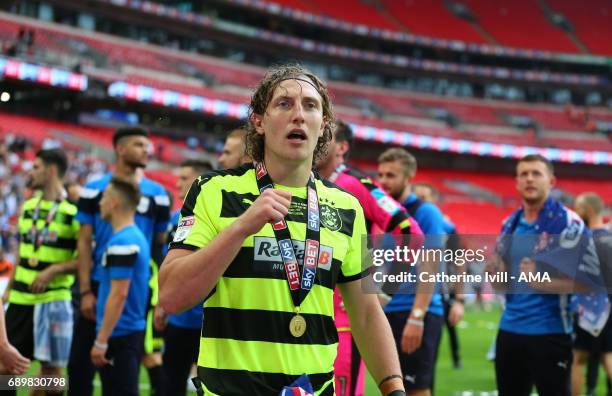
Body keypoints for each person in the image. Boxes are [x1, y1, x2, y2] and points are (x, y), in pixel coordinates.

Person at [159, 64, 406, 396]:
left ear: (325, 128)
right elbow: (172, 296)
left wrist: (394, 388)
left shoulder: (346, 207)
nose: (299, 115)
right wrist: (242, 227)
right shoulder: (213, 190)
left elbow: (365, 313)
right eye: (284, 104)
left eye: (310, 106)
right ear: (259, 121)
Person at [316, 120, 423, 396]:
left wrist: (386, 292)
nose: (316, 136)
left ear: (342, 147)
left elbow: (411, 233)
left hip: (345, 322)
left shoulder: (357, 184)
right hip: (308, 317)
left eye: (325, 135)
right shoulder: (305, 183)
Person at [69, 127, 170, 396]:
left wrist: (161, 294)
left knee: (124, 365)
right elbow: (84, 241)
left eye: (148, 145)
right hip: (97, 286)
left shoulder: (158, 194)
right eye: (139, 144)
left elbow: (160, 247)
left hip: (134, 290)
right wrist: (85, 291)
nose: (147, 150)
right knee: (78, 369)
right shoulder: (94, 190)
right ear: (120, 149)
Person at [491, 154, 597, 396]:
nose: (529, 179)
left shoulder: (570, 224)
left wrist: (544, 280)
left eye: (536, 173)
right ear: (516, 182)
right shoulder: (509, 224)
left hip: (550, 335)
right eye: (524, 174)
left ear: (551, 181)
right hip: (509, 332)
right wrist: (496, 275)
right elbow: (502, 287)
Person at [377, 148, 461, 395]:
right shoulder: (385, 211)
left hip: (415, 312)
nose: (383, 181)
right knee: (393, 388)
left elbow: (430, 265)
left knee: (416, 390)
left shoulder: (426, 212)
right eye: (381, 175)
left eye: (391, 175)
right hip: (389, 310)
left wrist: (417, 316)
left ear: (409, 176)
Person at [4, 149, 79, 396]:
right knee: (6, 369)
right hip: (20, 299)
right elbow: (23, 253)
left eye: (35, 167)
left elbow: (86, 260)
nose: (30, 172)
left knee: (52, 377)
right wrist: (9, 290)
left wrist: (55, 270)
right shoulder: (28, 207)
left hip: (53, 299)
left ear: (51, 170)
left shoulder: (72, 213)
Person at [157, 159, 213, 396]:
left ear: (199, 181)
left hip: (208, 319)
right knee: (171, 384)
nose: (177, 183)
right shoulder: (174, 220)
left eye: (184, 178)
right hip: (178, 319)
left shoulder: (215, 220)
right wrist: (161, 306)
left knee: (211, 386)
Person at [91, 177, 150, 396]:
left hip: (120, 335)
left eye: (104, 197)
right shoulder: (129, 237)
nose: (100, 203)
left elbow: (119, 294)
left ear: (114, 202)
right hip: (124, 334)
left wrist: (101, 340)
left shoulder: (123, 242)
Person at [571, 192, 612, 396]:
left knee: (578, 358)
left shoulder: (582, 240)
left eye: (578, 207)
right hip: (609, 304)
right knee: (608, 355)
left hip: (590, 305)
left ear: (588, 210)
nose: (575, 212)